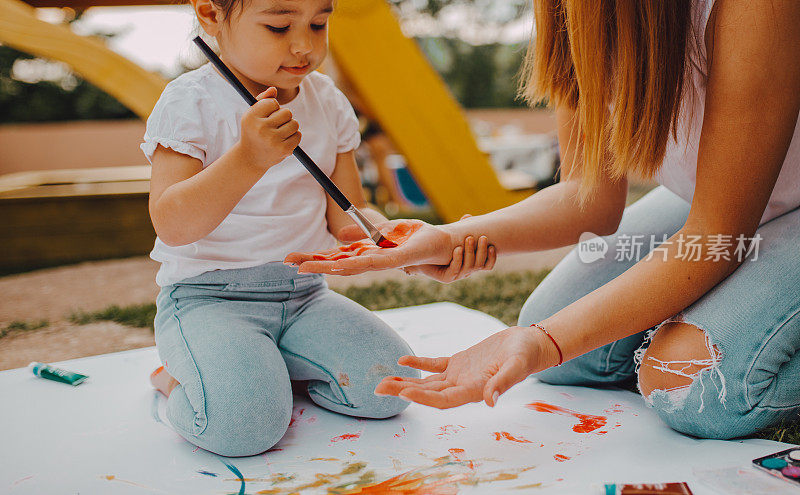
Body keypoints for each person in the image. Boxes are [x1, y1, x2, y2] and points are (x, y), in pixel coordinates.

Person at [287, 0, 800, 440]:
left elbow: (717, 238)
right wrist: (448, 239)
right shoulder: (573, 10)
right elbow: (588, 197)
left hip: (742, 213)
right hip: (725, 203)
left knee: (688, 385)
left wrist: (543, 342)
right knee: (574, 349)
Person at [140, 0, 454, 457]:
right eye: (278, 26)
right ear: (211, 14)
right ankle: (178, 378)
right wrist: (248, 158)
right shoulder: (192, 101)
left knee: (392, 387)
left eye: (319, 23)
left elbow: (345, 216)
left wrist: (393, 236)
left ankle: (265, 366)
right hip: (208, 301)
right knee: (244, 428)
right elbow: (172, 225)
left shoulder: (327, 100)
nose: (304, 44)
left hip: (305, 296)